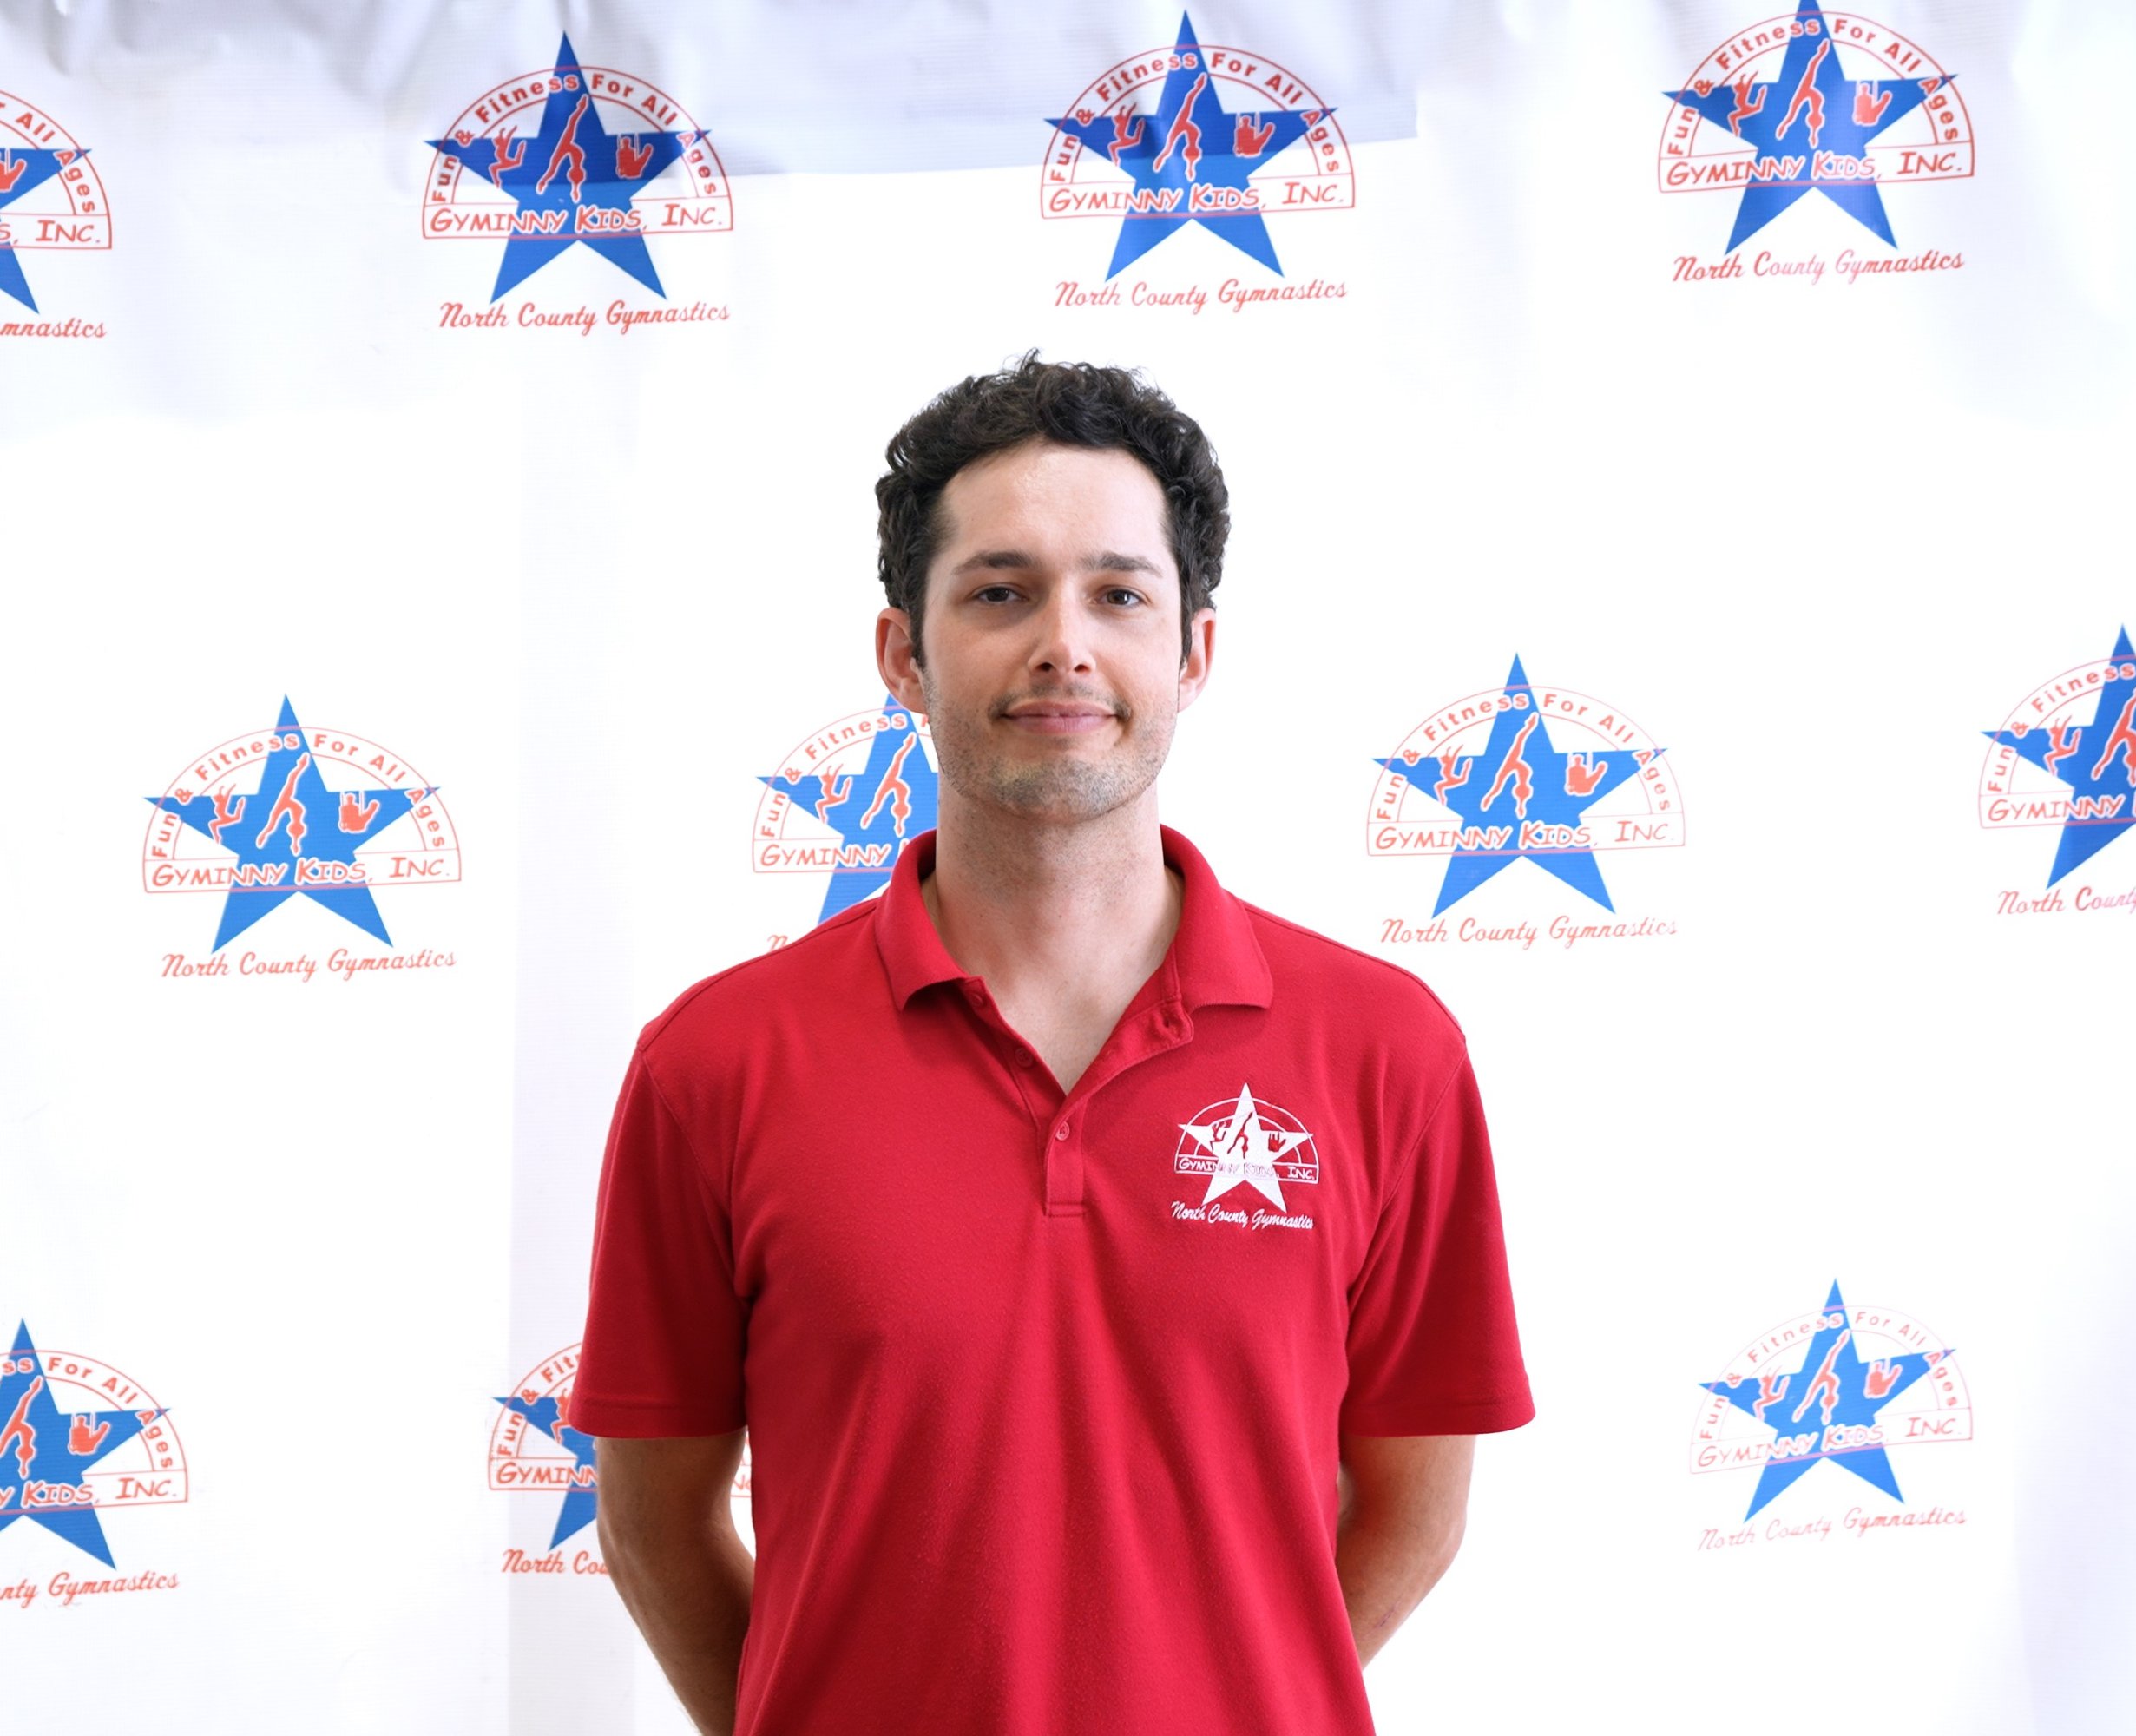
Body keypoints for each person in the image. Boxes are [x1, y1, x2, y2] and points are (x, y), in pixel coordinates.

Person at [566, 354, 1535, 1735]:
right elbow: (655, 1523)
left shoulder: (1386, 1052)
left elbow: (1416, 1510)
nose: (1064, 644)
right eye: (1001, 592)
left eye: (1120, 594)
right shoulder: (717, 1063)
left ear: (1193, 654)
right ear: (905, 650)